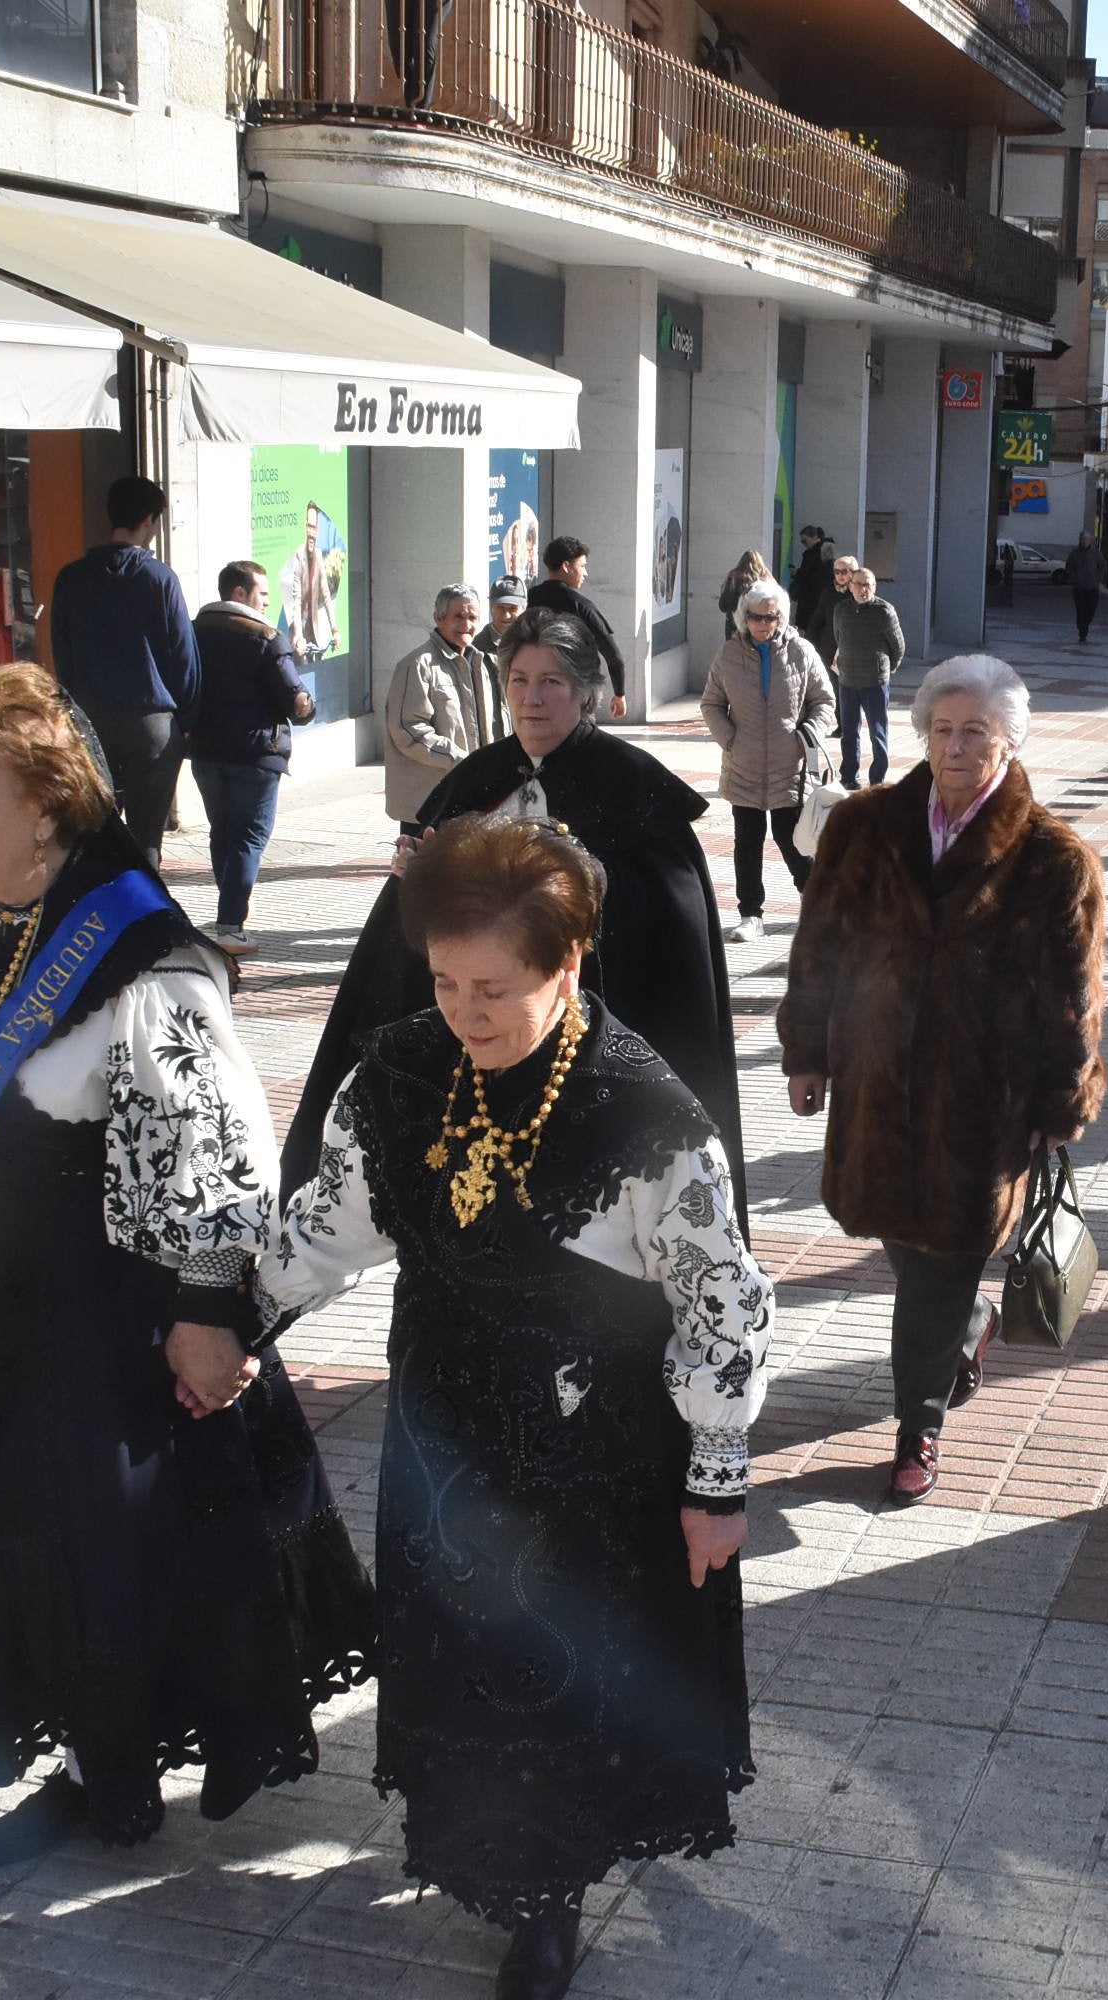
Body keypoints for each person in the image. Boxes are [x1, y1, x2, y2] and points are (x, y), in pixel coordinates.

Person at [0, 665, 372, 1867]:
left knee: (102, 1556)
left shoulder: (140, 960)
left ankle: (117, 1773)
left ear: (49, 805)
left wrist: (207, 1313)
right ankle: (70, 1759)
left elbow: (209, 1155)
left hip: (97, 1331)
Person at [264, 815, 769, 2000]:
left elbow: (722, 1305)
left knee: (559, 1669)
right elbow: (330, 1227)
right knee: (457, 1654)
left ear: (569, 964)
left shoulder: (644, 1114)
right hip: (443, 1435)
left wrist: (717, 1476)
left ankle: (546, 1894)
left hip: (592, 1461)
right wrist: (229, 1312)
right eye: (443, 980)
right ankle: (487, 1853)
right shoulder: (397, 1070)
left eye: (494, 988)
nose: (464, 1012)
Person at [780, 655, 1106, 1503]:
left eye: (976, 733)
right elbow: (819, 948)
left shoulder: (1053, 857)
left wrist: (1059, 1102)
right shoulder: (864, 824)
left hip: (984, 1098)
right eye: (942, 730)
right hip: (877, 1079)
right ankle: (969, 1326)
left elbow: (1073, 998)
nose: (956, 748)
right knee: (901, 1240)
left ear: (1009, 741)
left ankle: (917, 1424)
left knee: (943, 1259)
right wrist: (808, 1050)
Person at [290, 611, 741, 1193]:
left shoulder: (631, 782)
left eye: (551, 681)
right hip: (477, 1038)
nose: (533, 698)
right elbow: (415, 935)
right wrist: (418, 879)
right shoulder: (476, 777)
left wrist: (598, 881)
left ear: (584, 693)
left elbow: (670, 919)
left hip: (586, 1040)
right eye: (519, 680)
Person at [47, 476, 198, 865]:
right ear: (149, 519)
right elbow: (183, 657)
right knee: (147, 835)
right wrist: (188, 719)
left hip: (91, 719)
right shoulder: (159, 578)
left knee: (97, 829)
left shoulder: (71, 578)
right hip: (153, 725)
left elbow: (63, 655)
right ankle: (146, 915)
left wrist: (72, 711)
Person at [189, 560, 316, 952]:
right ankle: (230, 925)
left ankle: (231, 905)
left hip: (206, 751)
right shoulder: (266, 637)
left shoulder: (193, 632)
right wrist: (308, 705)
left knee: (222, 832)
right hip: (256, 752)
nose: (266, 602)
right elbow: (293, 699)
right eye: (262, 594)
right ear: (240, 594)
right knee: (250, 836)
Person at [701, 579, 835, 942]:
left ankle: (817, 903)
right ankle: (750, 914)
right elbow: (711, 703)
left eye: (770, 617)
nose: (763, 624)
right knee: (747, 841)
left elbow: (824, 701)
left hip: (790, 766)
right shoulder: (728, 654)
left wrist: (809, 730)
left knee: (793, 840)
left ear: (781, 617)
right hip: (743, 766)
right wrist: (730, 739)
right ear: (745, 617)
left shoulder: (802, 652)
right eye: (756, 617)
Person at [385, 586, 491, 825]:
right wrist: (461, 761)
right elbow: (409, 730)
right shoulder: (417, 664)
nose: (466, 624)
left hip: (469, 796)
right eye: (458, 617)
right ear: (438, 618)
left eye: (472, 618)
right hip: (427, 802)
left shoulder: (479, 663)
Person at [526, 538, 629, 717]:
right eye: (582, 566)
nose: (586, 573)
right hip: (573, 693)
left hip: (534, 692)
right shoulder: (581, 606)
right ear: (566, 566)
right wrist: (620, 694)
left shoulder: (528, 600)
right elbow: (613, 655)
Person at [829, 558, 907, 788]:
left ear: (874, 587)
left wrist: (886, 670)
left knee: (877, 732)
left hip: (875, 681)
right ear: (850, 585)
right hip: (848, 680)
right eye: (859, 584)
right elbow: (838, 638)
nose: (863, 589)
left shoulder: (884, 611)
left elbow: (898, 647)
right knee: (849, 732)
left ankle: (877, 778)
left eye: (868, 585)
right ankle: (850, 776)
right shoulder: (841, 610)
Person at [790, 523, 837, 657]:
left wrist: (797, 574)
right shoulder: (825, 551)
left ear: (814, 537)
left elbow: (808, 575)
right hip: (818, 598)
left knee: (810, 630)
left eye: (805, 540)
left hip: (811, 599)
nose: (803, 544)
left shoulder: (813, 554)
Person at [717, 548, 772, 638]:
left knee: (734, 651)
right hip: (756, 626)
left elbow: (723, 606)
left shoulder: (733, 578)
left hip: (734, 627)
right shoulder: (763, 580)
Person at [1067, 530, 1107, 644]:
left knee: (1090, 611)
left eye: (1087, 539)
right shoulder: (1074, 553)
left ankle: (1085, 626)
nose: (1085, 541)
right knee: (1081, 611)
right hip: (1079, 588)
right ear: (1080, 540)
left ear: (1090, 540)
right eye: (1083, 539)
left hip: (1093, 587)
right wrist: (1074, 578)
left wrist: (1098, 577)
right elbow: (1069, 568)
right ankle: (1082, 632)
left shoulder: (1095, 553)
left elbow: (1103, 565)